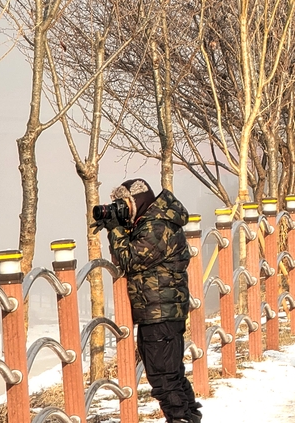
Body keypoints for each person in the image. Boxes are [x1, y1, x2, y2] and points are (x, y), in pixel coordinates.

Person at [102, 179, 201, 423]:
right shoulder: (153, 221)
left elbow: (129, 259)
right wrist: (119, 226)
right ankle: (189, 417)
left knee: (164, 379)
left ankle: (181, 419)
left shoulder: (157, 226)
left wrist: (114, 228)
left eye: (124, 204)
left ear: (139, 201)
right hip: (160, 310)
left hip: (160, 312)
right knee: (171, 375)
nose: (121, 209)